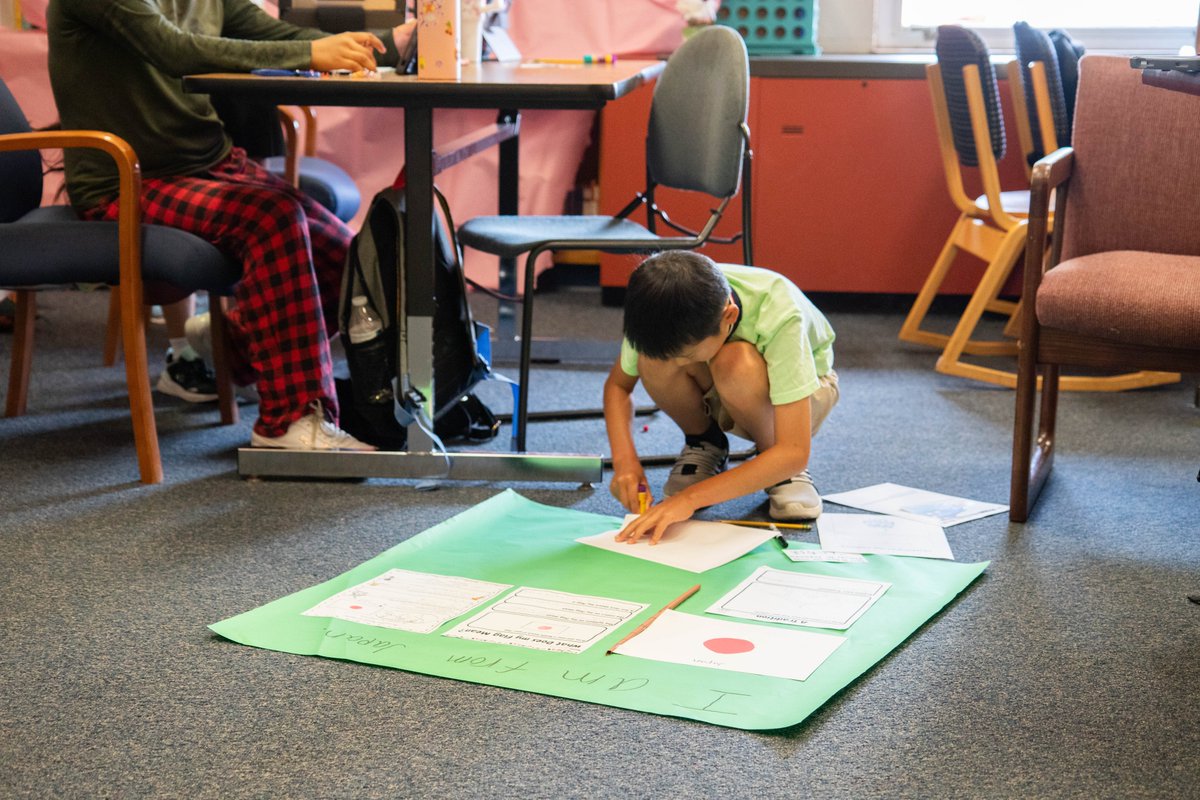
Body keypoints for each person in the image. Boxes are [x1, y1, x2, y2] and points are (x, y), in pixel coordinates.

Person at [46, 0, 416, 450]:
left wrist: (383, 48)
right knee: (272, 219)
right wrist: (309, 55)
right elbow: (176, 50)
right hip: (127, 182)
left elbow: (268, 34)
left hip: (210, 163)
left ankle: (229, 347)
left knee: (352, 265)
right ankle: (289, 422)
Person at [604, 252, 839, 544]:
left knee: (736, 361)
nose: (678, 365)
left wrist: (689, 499)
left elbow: (795, 451)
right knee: (654, 360)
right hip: (724, 386)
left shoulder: (780, 312)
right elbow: (617, 387)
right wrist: (625, 462)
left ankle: (777, 467)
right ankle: (705, 444)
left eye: (686, 356)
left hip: (805, 395)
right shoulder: (656, 308)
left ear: (729, 317)